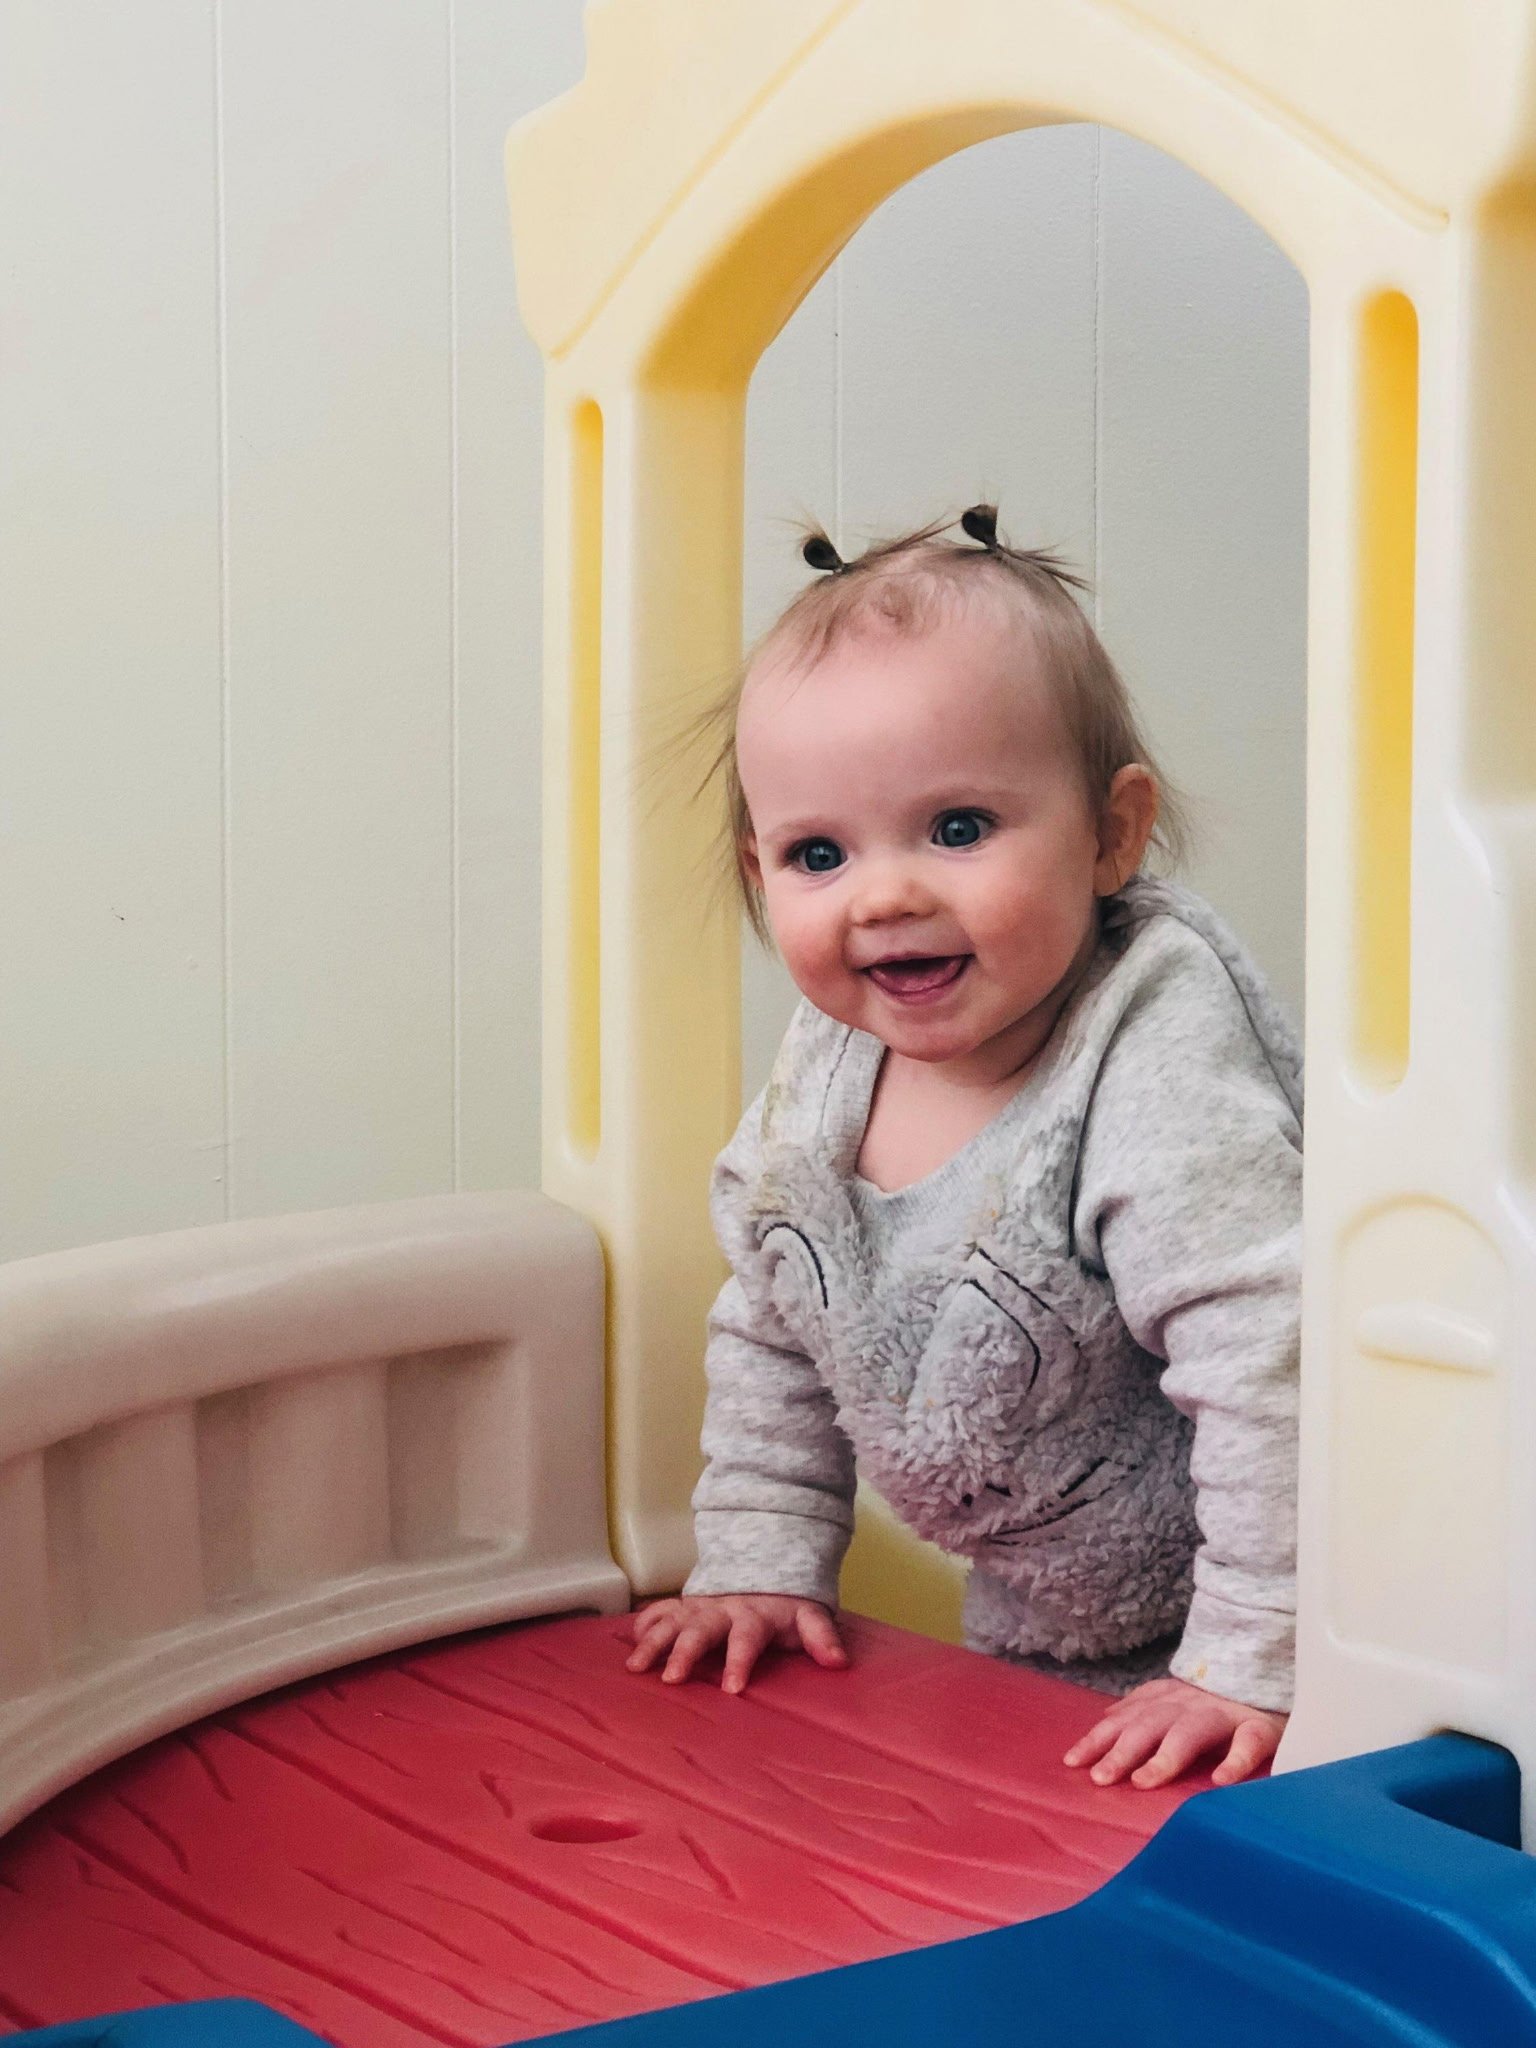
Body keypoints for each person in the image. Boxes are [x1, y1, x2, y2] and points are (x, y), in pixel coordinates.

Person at [627, 506, 1302, 1790]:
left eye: (956, 829)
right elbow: (777, 1319)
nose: (885, 894)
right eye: (818, 853)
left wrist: (1252, 1652)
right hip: (1047, 1631)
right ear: (759, 873)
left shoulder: (1148, 1054)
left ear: (1113, 832)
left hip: (1285, 1617)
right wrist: (761, 1555)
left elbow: (1275, 1353)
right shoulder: (827, 1073)